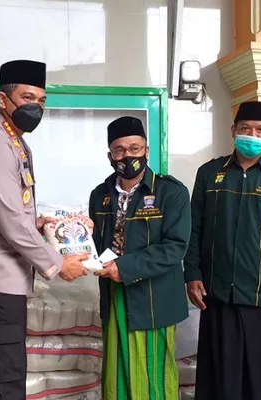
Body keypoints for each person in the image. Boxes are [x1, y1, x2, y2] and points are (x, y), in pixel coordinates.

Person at [0, 59, 89, 399]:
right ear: (3, 100)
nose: (36, 107)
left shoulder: (15, 141)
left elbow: (15, 214)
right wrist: (58, 265)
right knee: (5, 385)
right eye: (28, 97)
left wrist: (40, 224)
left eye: (42, 100)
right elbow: (11, 222)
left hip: (0, 283)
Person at [183, 101, 261, 400]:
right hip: (217, 294)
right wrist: (192, 273)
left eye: (260, 129)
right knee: (220, 378)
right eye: (245, 129)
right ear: (233, 131)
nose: (252, 134)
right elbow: (193, 230)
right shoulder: (210, 173)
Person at [88, 116, 191, 399]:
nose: (127, 156)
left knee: (153, 378)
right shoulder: (100, 195)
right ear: (111, 155)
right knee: (116, 374)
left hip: (154, 299)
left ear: (146, 150)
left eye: (134, 148)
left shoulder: (171, 192)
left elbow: (175, 247)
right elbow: (95, 246)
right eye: (120, 150)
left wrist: (125, 266)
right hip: (114, 295)